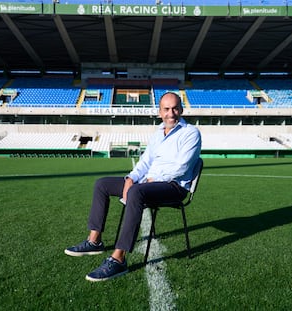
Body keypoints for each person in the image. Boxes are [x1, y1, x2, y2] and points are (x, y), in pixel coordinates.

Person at [65, 92, 202, 282]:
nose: (171, 113)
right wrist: (131, 178)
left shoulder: (191, 133)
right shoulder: (157, 134)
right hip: (150, 182)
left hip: (174, 186)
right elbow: (145, 162)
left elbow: (182, 167)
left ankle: (118, 259)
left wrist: (152, 179)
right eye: (167, 109)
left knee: (137, 192)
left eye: (175, 108)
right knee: (102, 184)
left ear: (181, 109)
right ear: (159, 112)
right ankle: (94, 241)